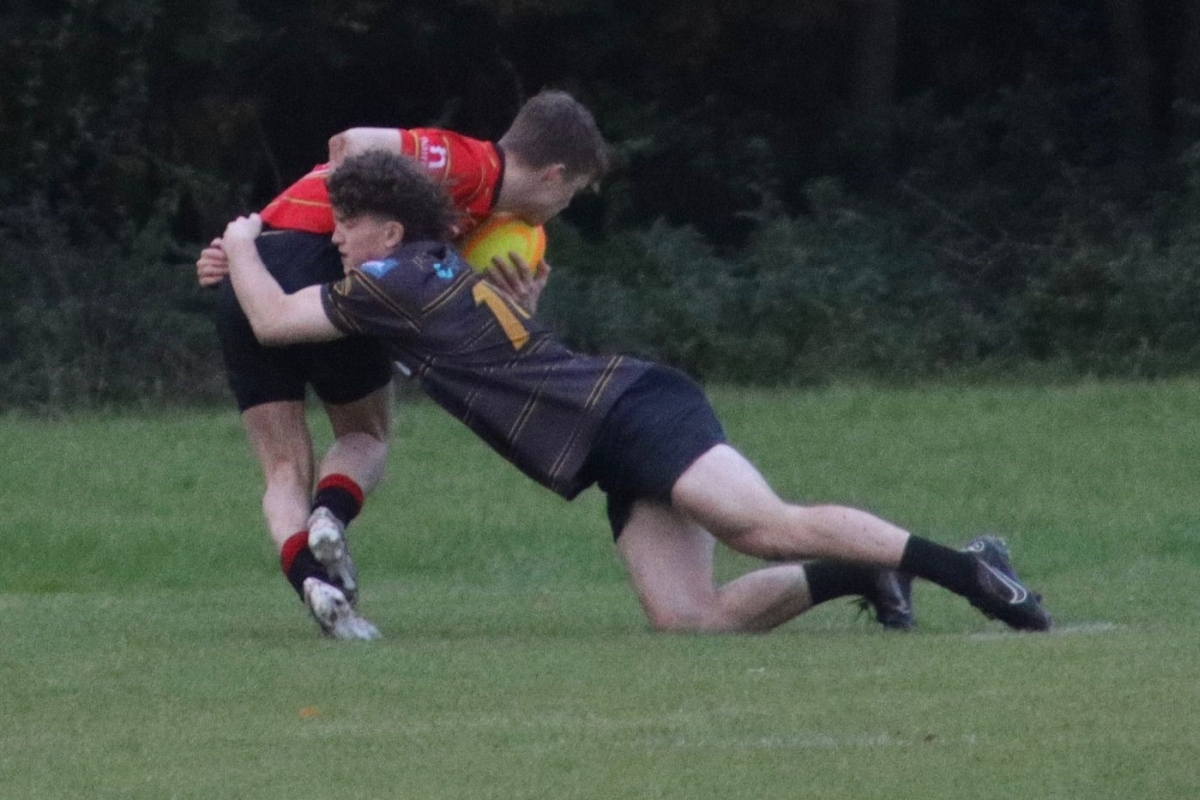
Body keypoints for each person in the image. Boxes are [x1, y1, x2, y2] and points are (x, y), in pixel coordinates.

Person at [221, 149, 1053, 640]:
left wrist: (241, 241)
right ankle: (860, 578)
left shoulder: (390, 280)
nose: (332, 233)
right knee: (691, 619)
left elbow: (269, 318)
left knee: (762, 527)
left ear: (391, 232)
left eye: (346, 222)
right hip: (603, 444)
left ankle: (971, 569)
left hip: (629, 408)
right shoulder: (428, 267)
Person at [198, 91, 612, 637]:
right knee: (367, 434)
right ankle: (330, 516)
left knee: (282, 466)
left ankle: (309, 579)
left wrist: (257, 250)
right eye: (574, 193)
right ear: (556, 176)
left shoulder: (483, 220)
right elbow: (353, 144)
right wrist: (343, 227)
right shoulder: (470, 164)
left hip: (258, 265)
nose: (562, 209)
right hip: (329, 271)